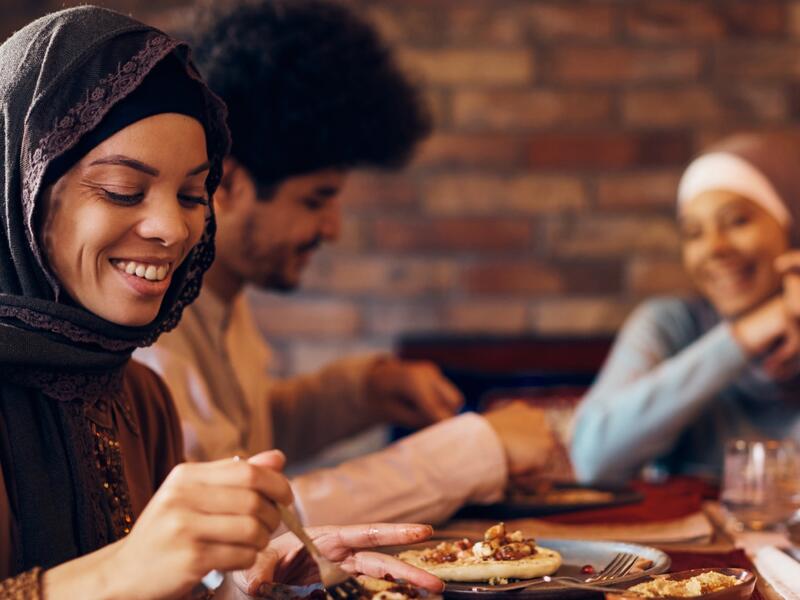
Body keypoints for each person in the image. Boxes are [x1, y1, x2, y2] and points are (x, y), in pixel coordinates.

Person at [0, 6, 444, 598]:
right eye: (123, 191)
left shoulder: (139, 399)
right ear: (20, 197)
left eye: (190, 194)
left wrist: (247, 577)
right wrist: (123, 569)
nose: (172, 229)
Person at [135, 0, 556, 527]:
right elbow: (233, 525)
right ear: (231, 183)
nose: (332, 228)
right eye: (315, 200)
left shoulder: (223, 299)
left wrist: (364, 391)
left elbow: (242, 436)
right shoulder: (149, 325)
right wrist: (476, 450)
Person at [571, 132, 800, 484]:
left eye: (737, 221)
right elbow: (591, 457)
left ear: (791, 225)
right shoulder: (670, 323)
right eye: (694, 233)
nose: (715, 248)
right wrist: (743, 337)